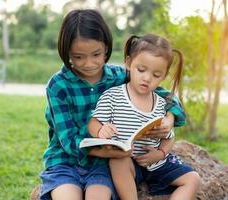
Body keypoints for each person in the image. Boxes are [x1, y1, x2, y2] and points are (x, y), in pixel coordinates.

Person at [38, 9, 187, 200]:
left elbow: (168, 96)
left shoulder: (120, 76)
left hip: (103, 165)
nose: (89, 63)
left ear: (106, 48)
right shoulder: (58, 86)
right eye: (78, 57)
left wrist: (170, 117)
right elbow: (67, 139)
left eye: (96, 54)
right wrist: (100, 151)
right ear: (67, 52)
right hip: (65, 162)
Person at [88, 34, 200, 200]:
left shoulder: (162, 104)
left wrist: (160, 154)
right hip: (128, 161)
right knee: (117, 162)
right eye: (141, 70)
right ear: (128, 63)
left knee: (193, 179)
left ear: (164, 76)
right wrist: (101, 130)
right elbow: (94, 122)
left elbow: (169, 138)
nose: (147, 78)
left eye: (156, 75)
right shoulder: (112, 96)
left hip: (156, 162)